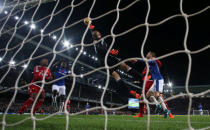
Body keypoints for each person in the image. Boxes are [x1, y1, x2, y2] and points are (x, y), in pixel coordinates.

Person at [132, 52, 170, 118]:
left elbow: (144, 61)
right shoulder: (149, 64)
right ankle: (159, 106)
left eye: (148, 53)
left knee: (157, 95)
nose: (147, 54)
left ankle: (165, 109)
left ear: (151, 55)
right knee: (147, 96)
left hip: (158, 80)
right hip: (154, 81)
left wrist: (137, 60)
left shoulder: (153, 60)